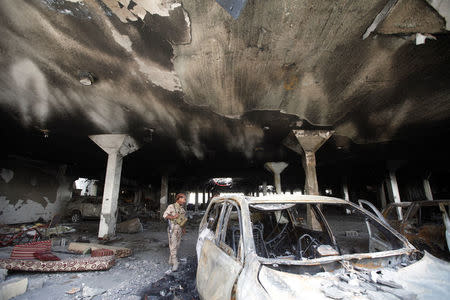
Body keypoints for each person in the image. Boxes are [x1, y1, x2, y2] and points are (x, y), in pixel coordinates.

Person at [163, 193, 187, 271]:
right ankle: (175, 262)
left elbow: (182, 220)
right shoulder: (171, 206)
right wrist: (173, 217)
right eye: (184, 199)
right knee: (173, 245)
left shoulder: (182, 210)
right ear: (179, 198)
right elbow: (165, 215)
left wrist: (183, 228)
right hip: (172, 229)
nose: (185, 200)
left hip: (179, 229)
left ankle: (171, 260)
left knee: (177, 245)